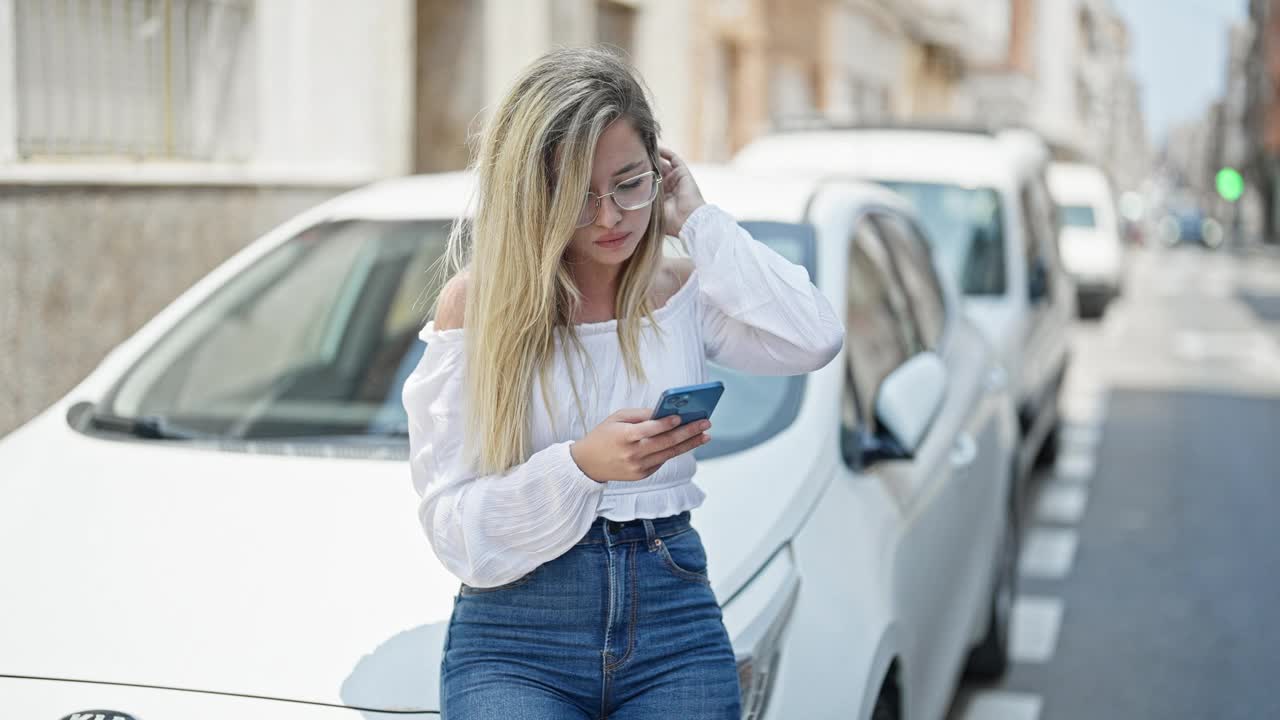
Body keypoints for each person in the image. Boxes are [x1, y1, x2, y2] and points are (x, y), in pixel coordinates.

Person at [403, 46, 844, 719]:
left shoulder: (681, 292)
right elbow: (452, 529)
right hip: (517, 635)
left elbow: (814, 335)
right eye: (578, 195)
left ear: (660, 171)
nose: (610, 217)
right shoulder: (477, 308)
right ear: (533, 193)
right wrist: (583, 466)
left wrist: (696, 219)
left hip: (672, 621)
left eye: (629, 183)